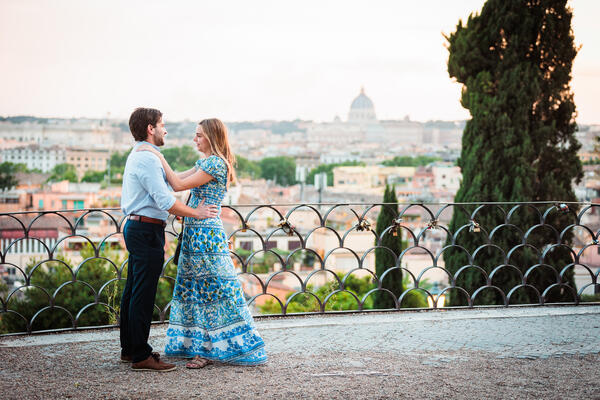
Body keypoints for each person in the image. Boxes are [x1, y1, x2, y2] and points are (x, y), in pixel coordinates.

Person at [138, 118, 267, 368]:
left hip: (206, 235)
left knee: (214, 290)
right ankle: (203, 348)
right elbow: (172, 180)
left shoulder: (216, 163)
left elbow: (175, 183)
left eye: (199, 135)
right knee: (198, 291)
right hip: (196, 233)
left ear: (211, 137)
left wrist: (155, 152)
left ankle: (217, 349)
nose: (194, 140)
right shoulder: (206, 163)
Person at [120, 108, 219, 372]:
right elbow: (165, 200)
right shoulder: (148, 158)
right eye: (162, 125)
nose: (166, 130)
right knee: (142, 294)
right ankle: (140, 355)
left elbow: (173, 182)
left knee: (133, 291)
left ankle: (130, 349)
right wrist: (195, 212)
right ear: (150, 129)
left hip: (140, 228)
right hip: (144, 230)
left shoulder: (145, 155)